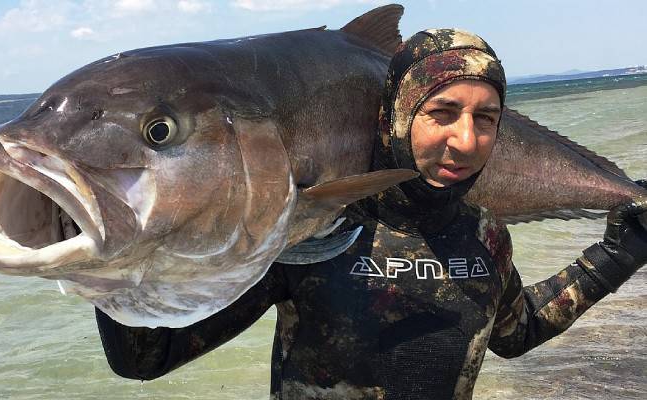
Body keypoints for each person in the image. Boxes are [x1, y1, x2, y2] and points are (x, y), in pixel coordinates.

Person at [95, 29, 647, 399]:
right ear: (398, 116)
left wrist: (621, 252)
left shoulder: (484, 233)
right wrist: (109, 249)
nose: (466, 138)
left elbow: (515, 332)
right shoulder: (318, 229)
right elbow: (149, 355)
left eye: (487, 118)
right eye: (442, 112)